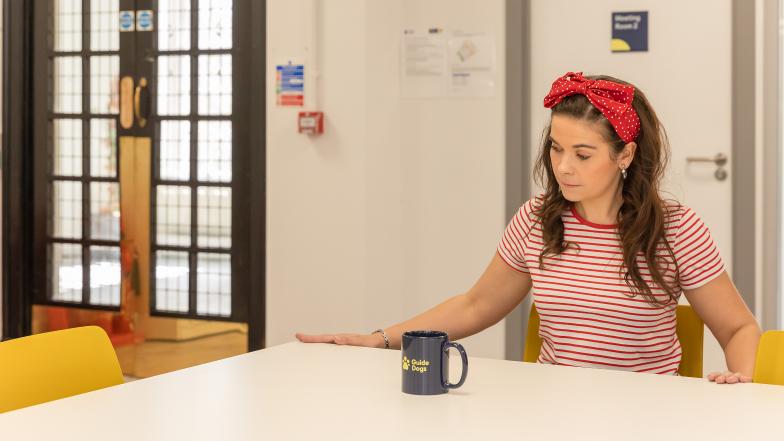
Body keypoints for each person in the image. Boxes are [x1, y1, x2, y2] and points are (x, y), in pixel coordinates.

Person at [296, 71, 762, 385]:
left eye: (583, 154)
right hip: (552, 411)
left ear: (625, 155)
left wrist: (740, 383)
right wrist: (377, 339)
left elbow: (739, 327)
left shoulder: (675, 230)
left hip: (646, 414)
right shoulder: (537, 220)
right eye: (556, 149)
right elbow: (476, 305)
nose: (563, 167)